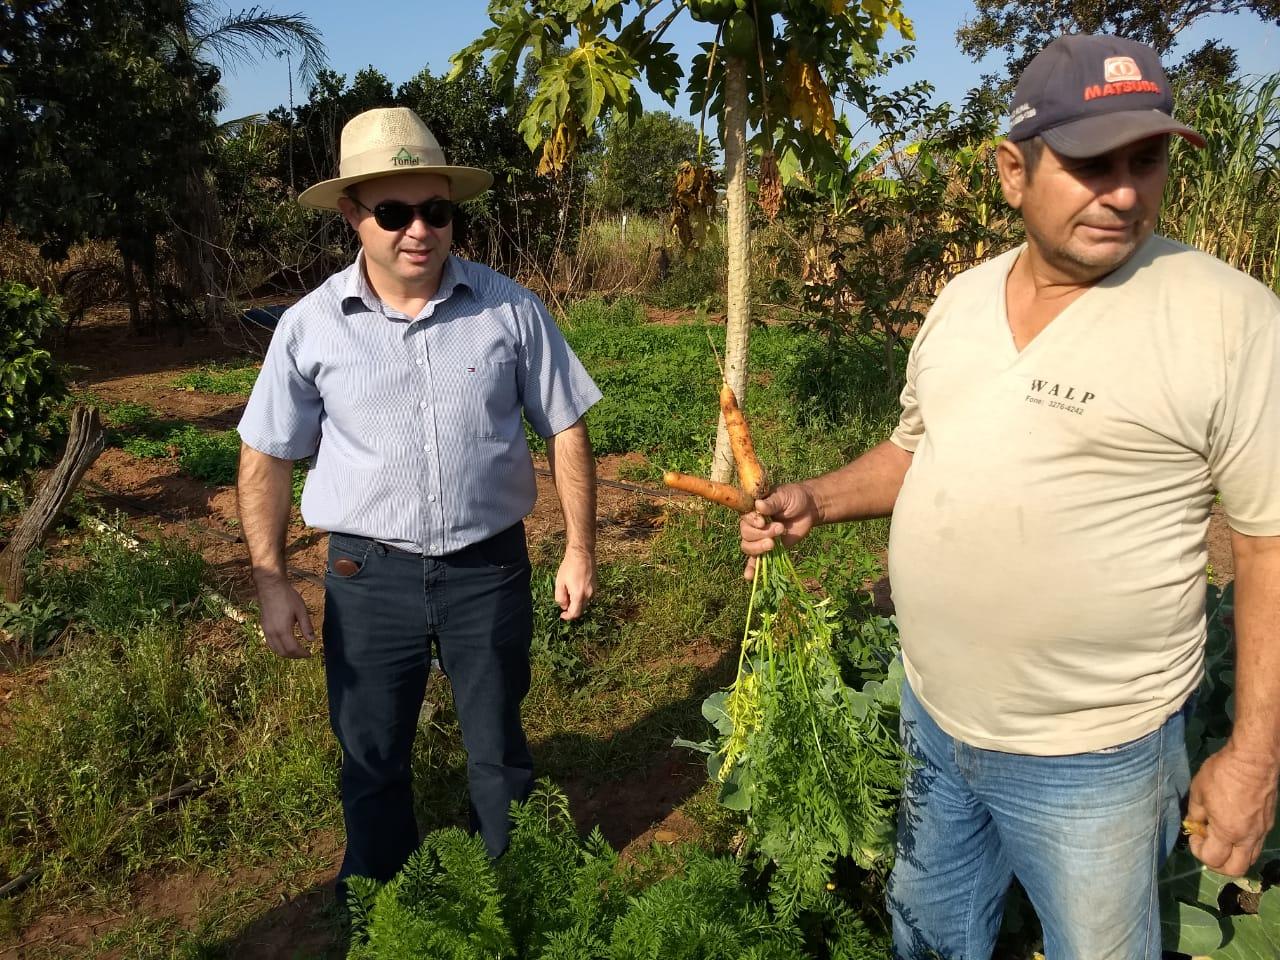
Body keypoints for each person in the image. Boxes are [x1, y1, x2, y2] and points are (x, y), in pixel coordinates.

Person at [740, 34, 1279, 960]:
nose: (1122, 192)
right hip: (932, 717)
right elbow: (916, 450)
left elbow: (1269, 545)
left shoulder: (1228, 319)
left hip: (1096, 757)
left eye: (1144, 161)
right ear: (1012, 171)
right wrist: (818, 500)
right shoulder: (960, 302)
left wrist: (1254, 755)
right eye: (1088, 163)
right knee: (932, 940)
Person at [235, 107, 602, 890]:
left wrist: (579, 549)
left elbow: (565, 427)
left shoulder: (511, 310)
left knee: (499, 749)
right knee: (370, 756)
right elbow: (265, 453)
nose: (418, 231)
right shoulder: (309, 329)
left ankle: (513, 893)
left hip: (488, 571)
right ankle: (381, 907)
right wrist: (272, 579)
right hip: (369, 579)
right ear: (351, 215)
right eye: (393, 212)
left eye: (435, 210)